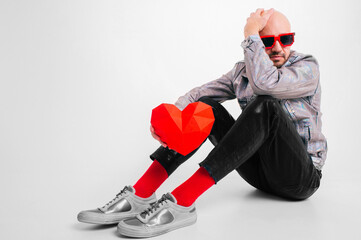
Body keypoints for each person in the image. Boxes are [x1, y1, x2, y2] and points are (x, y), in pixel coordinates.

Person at [77, 8, 327, 238]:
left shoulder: (306, 68)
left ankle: (183, 202)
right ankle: (142, 193)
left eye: (284, 39)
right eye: (267, 41)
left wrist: (251, 32)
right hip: (259, 176)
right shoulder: (243, 71)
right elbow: (197, 96)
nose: (277, 48)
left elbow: (266, 85)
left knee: (266, 106)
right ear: (258, 46)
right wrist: (172, 120)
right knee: (207, 107)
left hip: (300, 179)